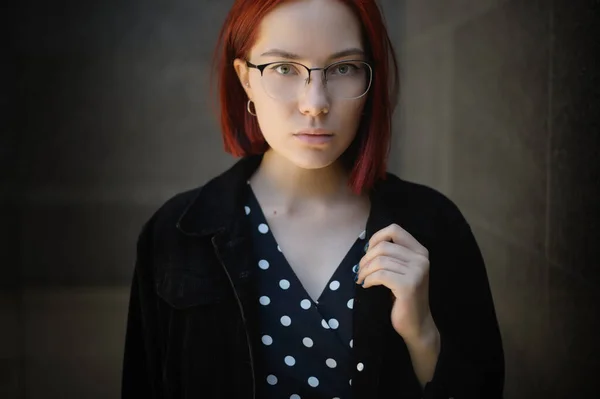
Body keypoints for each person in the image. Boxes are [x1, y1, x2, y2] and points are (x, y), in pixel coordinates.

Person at [121, 0, 505, 398]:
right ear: (245, 79)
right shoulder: (178, 232)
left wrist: (422, 334)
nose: (316, 103)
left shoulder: (434, 225)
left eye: (343, 69)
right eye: (283, 69)